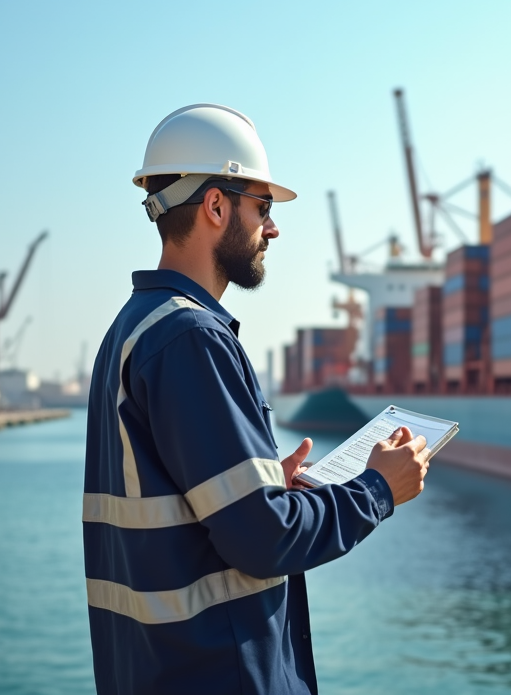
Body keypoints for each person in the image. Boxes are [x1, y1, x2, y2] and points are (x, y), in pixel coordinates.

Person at [82, 103, 431, 695]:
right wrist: (377, 489)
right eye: (263, 208)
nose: (273, 229)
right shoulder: (191, 338)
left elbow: (209, 511)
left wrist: (267, 486)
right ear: (216, 207)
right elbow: (263, 540)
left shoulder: (134, 328)